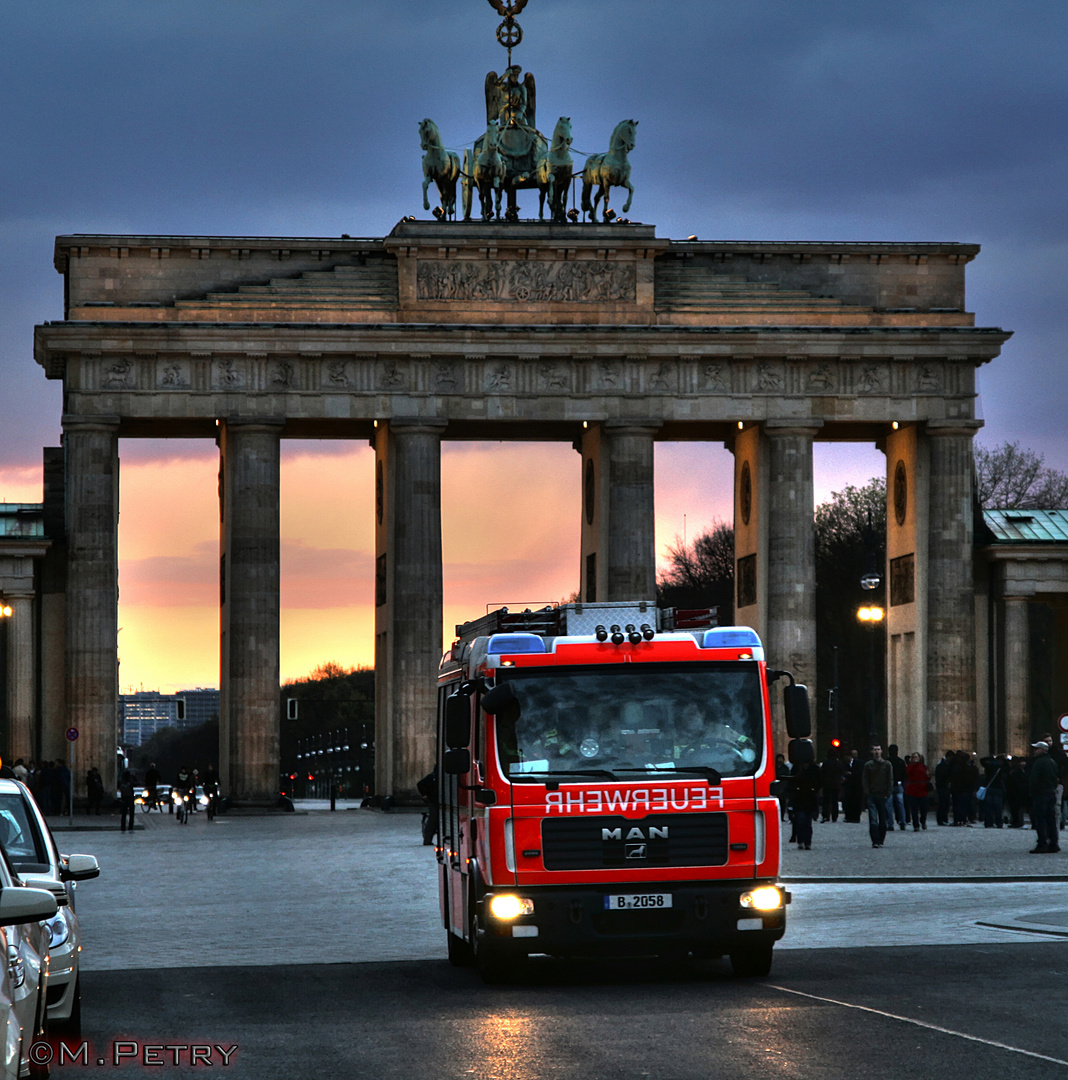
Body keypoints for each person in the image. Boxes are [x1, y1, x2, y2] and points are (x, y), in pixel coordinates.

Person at [1028, 740, 1060, 854]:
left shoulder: (1039, 762)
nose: (1034, 751)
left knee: (1040, 819)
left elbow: (1034, 779)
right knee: (1051, 819)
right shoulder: (1052, 761)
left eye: (1036, 749)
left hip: (1041, 794)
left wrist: (1032, 792)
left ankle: (1042, 843)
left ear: (1042, 750)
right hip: (1050, 792)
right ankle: (1053, 843)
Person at [862, 744, 893, 848]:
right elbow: (865, 779)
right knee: (873, 819)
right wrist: (867, 792)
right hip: (872, 794)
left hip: (882, 794)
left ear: (881, 751)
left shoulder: (887, 764)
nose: (876, 752)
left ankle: (881, 839)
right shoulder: (868, 765)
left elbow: (890, 779)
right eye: (875, 750)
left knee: (883, 819)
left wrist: (888, 793)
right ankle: (875, 840)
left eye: (878, 749)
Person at [790, 759, 821, 850]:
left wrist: (814, 789)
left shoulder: (814, 769)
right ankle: (801, 840)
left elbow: (819, 781)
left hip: (809, 798)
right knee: (800, 821)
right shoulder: (797, 768)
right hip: (800, 798)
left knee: (807, 822)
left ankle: (807, 842)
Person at [904, 752, 930, 830]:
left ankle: (923, 821)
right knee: (914, 808)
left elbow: (927, 777)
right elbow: (908, 774)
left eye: (917, 757)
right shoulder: (909, 767)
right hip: (913, 789)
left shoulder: (923, 766)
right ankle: (916, 825)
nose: (915, 759)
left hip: (922, 789)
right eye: (914, 757)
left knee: (924, 808)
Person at [981, 754, 1008, 828]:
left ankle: (988, 822)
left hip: (990, 787)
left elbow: (982, 760)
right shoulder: (1002, 768)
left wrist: (991, 758)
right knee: (998, 808)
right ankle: (998, 822)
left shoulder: (989, 766)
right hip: (998, 788)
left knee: (988, 807)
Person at [819, 747, 843, 823]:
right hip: (836, 784)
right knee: (834, 801)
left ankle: (826, 815)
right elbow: (841, 772)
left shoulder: (826, 763)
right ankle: (834, 816)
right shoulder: (838, 763)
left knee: (826, 801)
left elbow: (822, 773)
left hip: (827, 784)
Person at [416, 765, 439, 847]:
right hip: (433, 801)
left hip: (436, 800)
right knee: (433, 820)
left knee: (434, 820)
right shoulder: (432, 777)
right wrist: (424, 795)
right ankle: (427, 840)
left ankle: (428, 839)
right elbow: (420, 784)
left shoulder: (434, 777)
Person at [886, 744, 907, 831]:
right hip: (898, 784)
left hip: (890, 785)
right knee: (900, 805)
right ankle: (902, 822)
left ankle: (890, 824)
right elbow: (904, 774)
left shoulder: (887, 761)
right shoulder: (901, 762)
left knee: (889, 805)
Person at [934, 749, 955, 825]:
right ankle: (941, 819)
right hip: (942, 786)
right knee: (942, 803)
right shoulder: (942, 765)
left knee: (946, 803)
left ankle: (944, 819)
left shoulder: (945, 765)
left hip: (944, 786)